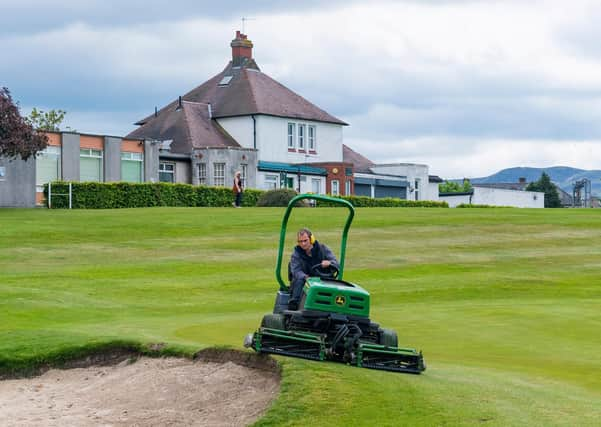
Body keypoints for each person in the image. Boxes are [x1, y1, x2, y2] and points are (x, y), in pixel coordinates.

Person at [288, 228, 339, 310]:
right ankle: (295, 304)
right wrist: (305, 277)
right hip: (306, 280)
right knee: (298, 279)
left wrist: (329, 263)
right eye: (300, 241)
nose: (303, 244)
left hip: (323, 278)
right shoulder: (296, 254)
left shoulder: (323, 249)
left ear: (311, 239)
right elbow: (296, 271)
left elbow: (336, 264)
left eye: (305, 240)